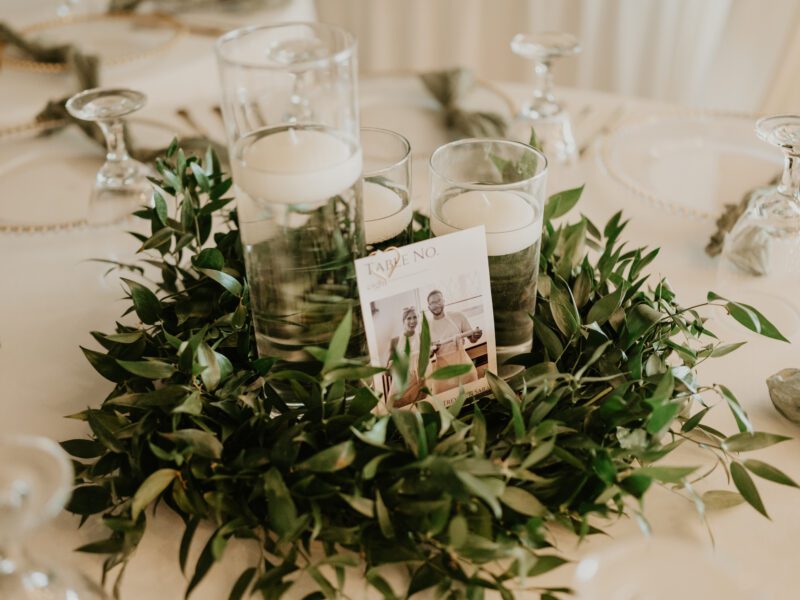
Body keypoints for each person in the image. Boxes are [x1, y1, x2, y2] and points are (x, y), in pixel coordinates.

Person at [426, 289, 482, 394]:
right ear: (428, 307)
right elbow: (428, 355)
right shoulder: (426, 327)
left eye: (439, 301)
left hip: (465, 369)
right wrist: (432, 350)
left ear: (444, 301)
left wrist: (476, 336)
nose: (436, 305)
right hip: (443, 376)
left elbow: (472, 339)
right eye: (433, 303)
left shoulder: (458, 316)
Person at [386, 307, 426, 407]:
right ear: (403, 321)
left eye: (415, 317)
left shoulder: (422, 337)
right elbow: (387, 372)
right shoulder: (395, 341)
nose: (412, 321)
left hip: (418, 384)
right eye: (408, 318)